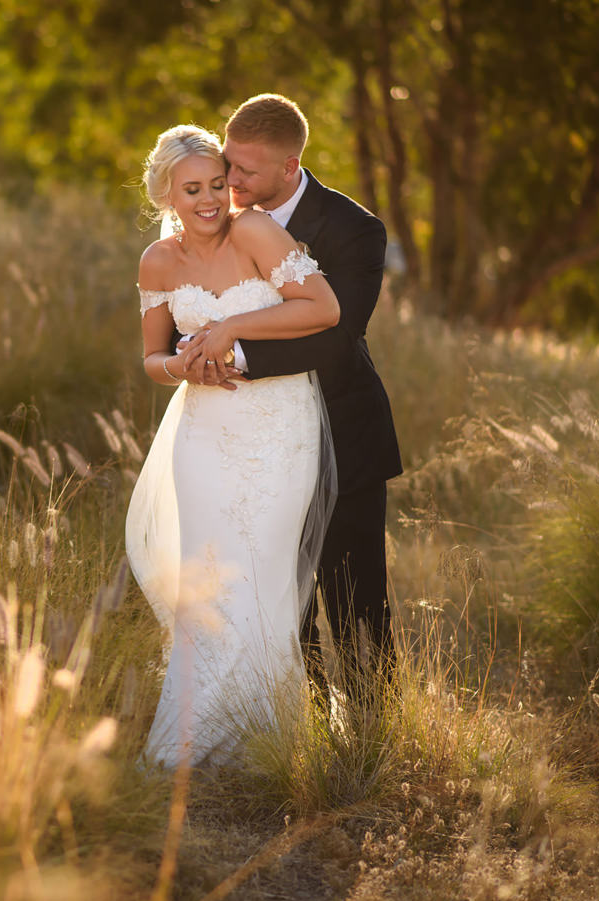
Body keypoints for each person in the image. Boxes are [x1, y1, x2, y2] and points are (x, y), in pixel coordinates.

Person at [177, 93, 402, 706]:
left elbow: (339, 333)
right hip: (247, 442)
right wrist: (191, 347)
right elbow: (188, 295)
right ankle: (294, 724)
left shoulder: (355, 229)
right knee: (273, 593)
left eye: (247, 171)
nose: (232, 181)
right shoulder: (213, 211)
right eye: (229, 164)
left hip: (340, 430)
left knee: (354, 594)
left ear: (289, 165)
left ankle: (374, 732)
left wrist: (235, 354)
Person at [126, 124, 340, 768]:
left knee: (263, 570)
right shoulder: (156, 263)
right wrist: (184, 368)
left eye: (217, 184)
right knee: (209, 577)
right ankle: (191, 740)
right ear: (165, 193)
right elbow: (152, 360)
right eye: (193, 189)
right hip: (204, 431)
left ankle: (270, 741)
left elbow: (323, 307)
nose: (211, 199)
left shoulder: (254, 232)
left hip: (278, 424)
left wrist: (229, 329)